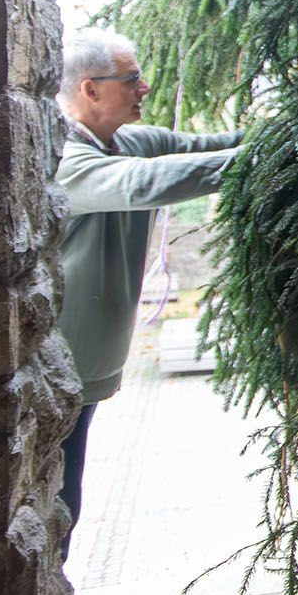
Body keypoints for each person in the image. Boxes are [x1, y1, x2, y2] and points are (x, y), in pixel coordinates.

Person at [54, 30, 241, 547]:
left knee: (65, 499)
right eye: (132, 79)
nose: (145, 86)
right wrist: (258, 163)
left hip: (88, 368)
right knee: (57, 504)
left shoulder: (127, 141)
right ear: (90, 89)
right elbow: (145, 184)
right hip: (59, 371)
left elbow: (203, 149)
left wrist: (293, 135)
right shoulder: (67, 161)